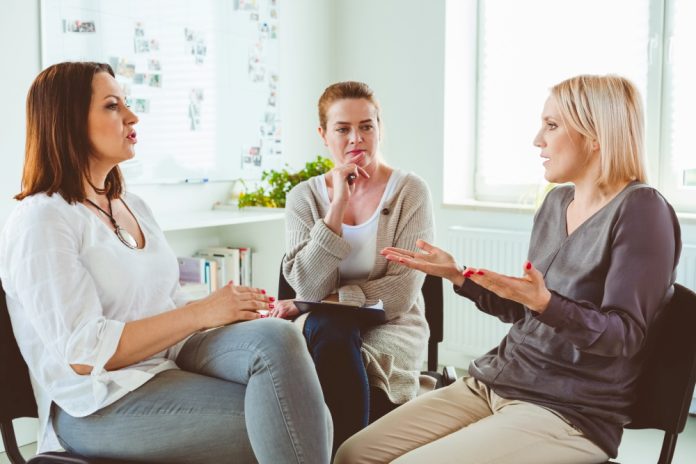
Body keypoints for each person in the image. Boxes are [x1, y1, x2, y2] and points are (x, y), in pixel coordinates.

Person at [334, 74, 682, 464]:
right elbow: (525, 311)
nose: (538, 140)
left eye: (551, 126)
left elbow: (624, 336)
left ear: (595, 134)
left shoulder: (642, 210)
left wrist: (547, 303)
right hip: (496, 380)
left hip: (569, 410)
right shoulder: (556, 203)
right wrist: (458, 275)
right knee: (353, 453)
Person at [0, 62, 332, 464]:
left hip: (167, 364)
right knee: (289, 417)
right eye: (111, 106)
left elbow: (167, 305)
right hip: (97, 405)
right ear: (67, 121)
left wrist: (224, 313)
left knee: (279, 337)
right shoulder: (42, 218)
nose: (131, 116)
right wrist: (201, 313)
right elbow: (84, 352)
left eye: (125, 103)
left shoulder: (132, 205)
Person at [270, 81, 434, 453]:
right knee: (330, 329)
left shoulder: (410, 192)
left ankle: (335, 453)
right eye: (342, 129)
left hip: (393, 324)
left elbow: (401, 291)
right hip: (326, 327)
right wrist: (337, 207)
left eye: (366, 126)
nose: (356, 139)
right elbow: (307, 286)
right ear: (323, 134)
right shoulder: (303, 198)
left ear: (380, 127)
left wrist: (324, 299)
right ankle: (347, 455)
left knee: (331, 333)